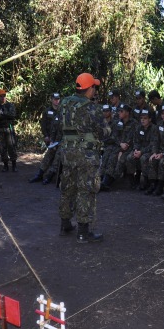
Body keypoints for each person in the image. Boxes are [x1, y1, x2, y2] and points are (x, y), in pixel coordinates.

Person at [58, 73, 108, 243]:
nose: (95, 90)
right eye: (94, 87)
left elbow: (61, 125)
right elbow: (105, 132)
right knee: (86, 190)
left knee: (68, 187)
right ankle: (83, 232)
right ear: (89, 89)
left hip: (67, 152)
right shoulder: (92, 108)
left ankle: (65, 223)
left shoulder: (64, 103)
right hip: (86, 155)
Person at [29, 92, 62, 183]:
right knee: (48, 156)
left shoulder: (62, 112)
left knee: (57, 158)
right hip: (51, 138)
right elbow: (43, 125)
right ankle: (40, 174)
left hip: (60, 140)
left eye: (58, 99)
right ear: (51, 100)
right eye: (55, 99)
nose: (56, 101)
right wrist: (46, 136)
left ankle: (50, 176)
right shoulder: (47, 111)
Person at [0, 89, 18, 172]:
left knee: (12, 146)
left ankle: (14, 165)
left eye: (4, 96)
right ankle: (5, 165)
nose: (3, 97)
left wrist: (2, 113)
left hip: (8, 128)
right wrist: (5, 114)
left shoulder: (10, 105)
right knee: (2, 148)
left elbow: (13, 115)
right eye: (1, 96)